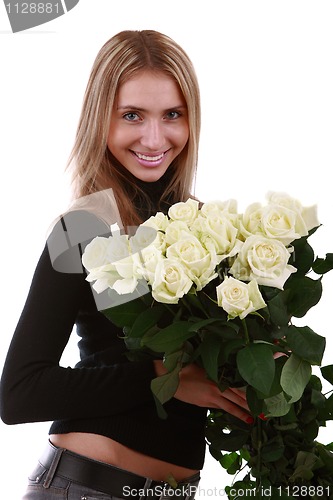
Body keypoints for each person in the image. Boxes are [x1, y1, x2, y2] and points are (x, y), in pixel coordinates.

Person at [0, 30, 251, 499]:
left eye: (172, 115)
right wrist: (162, 380)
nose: (154, 138)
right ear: (101, 119)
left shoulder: (210, 232)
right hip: (84, 487)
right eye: (131, 115)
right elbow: (19, 393)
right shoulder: (82, 227)